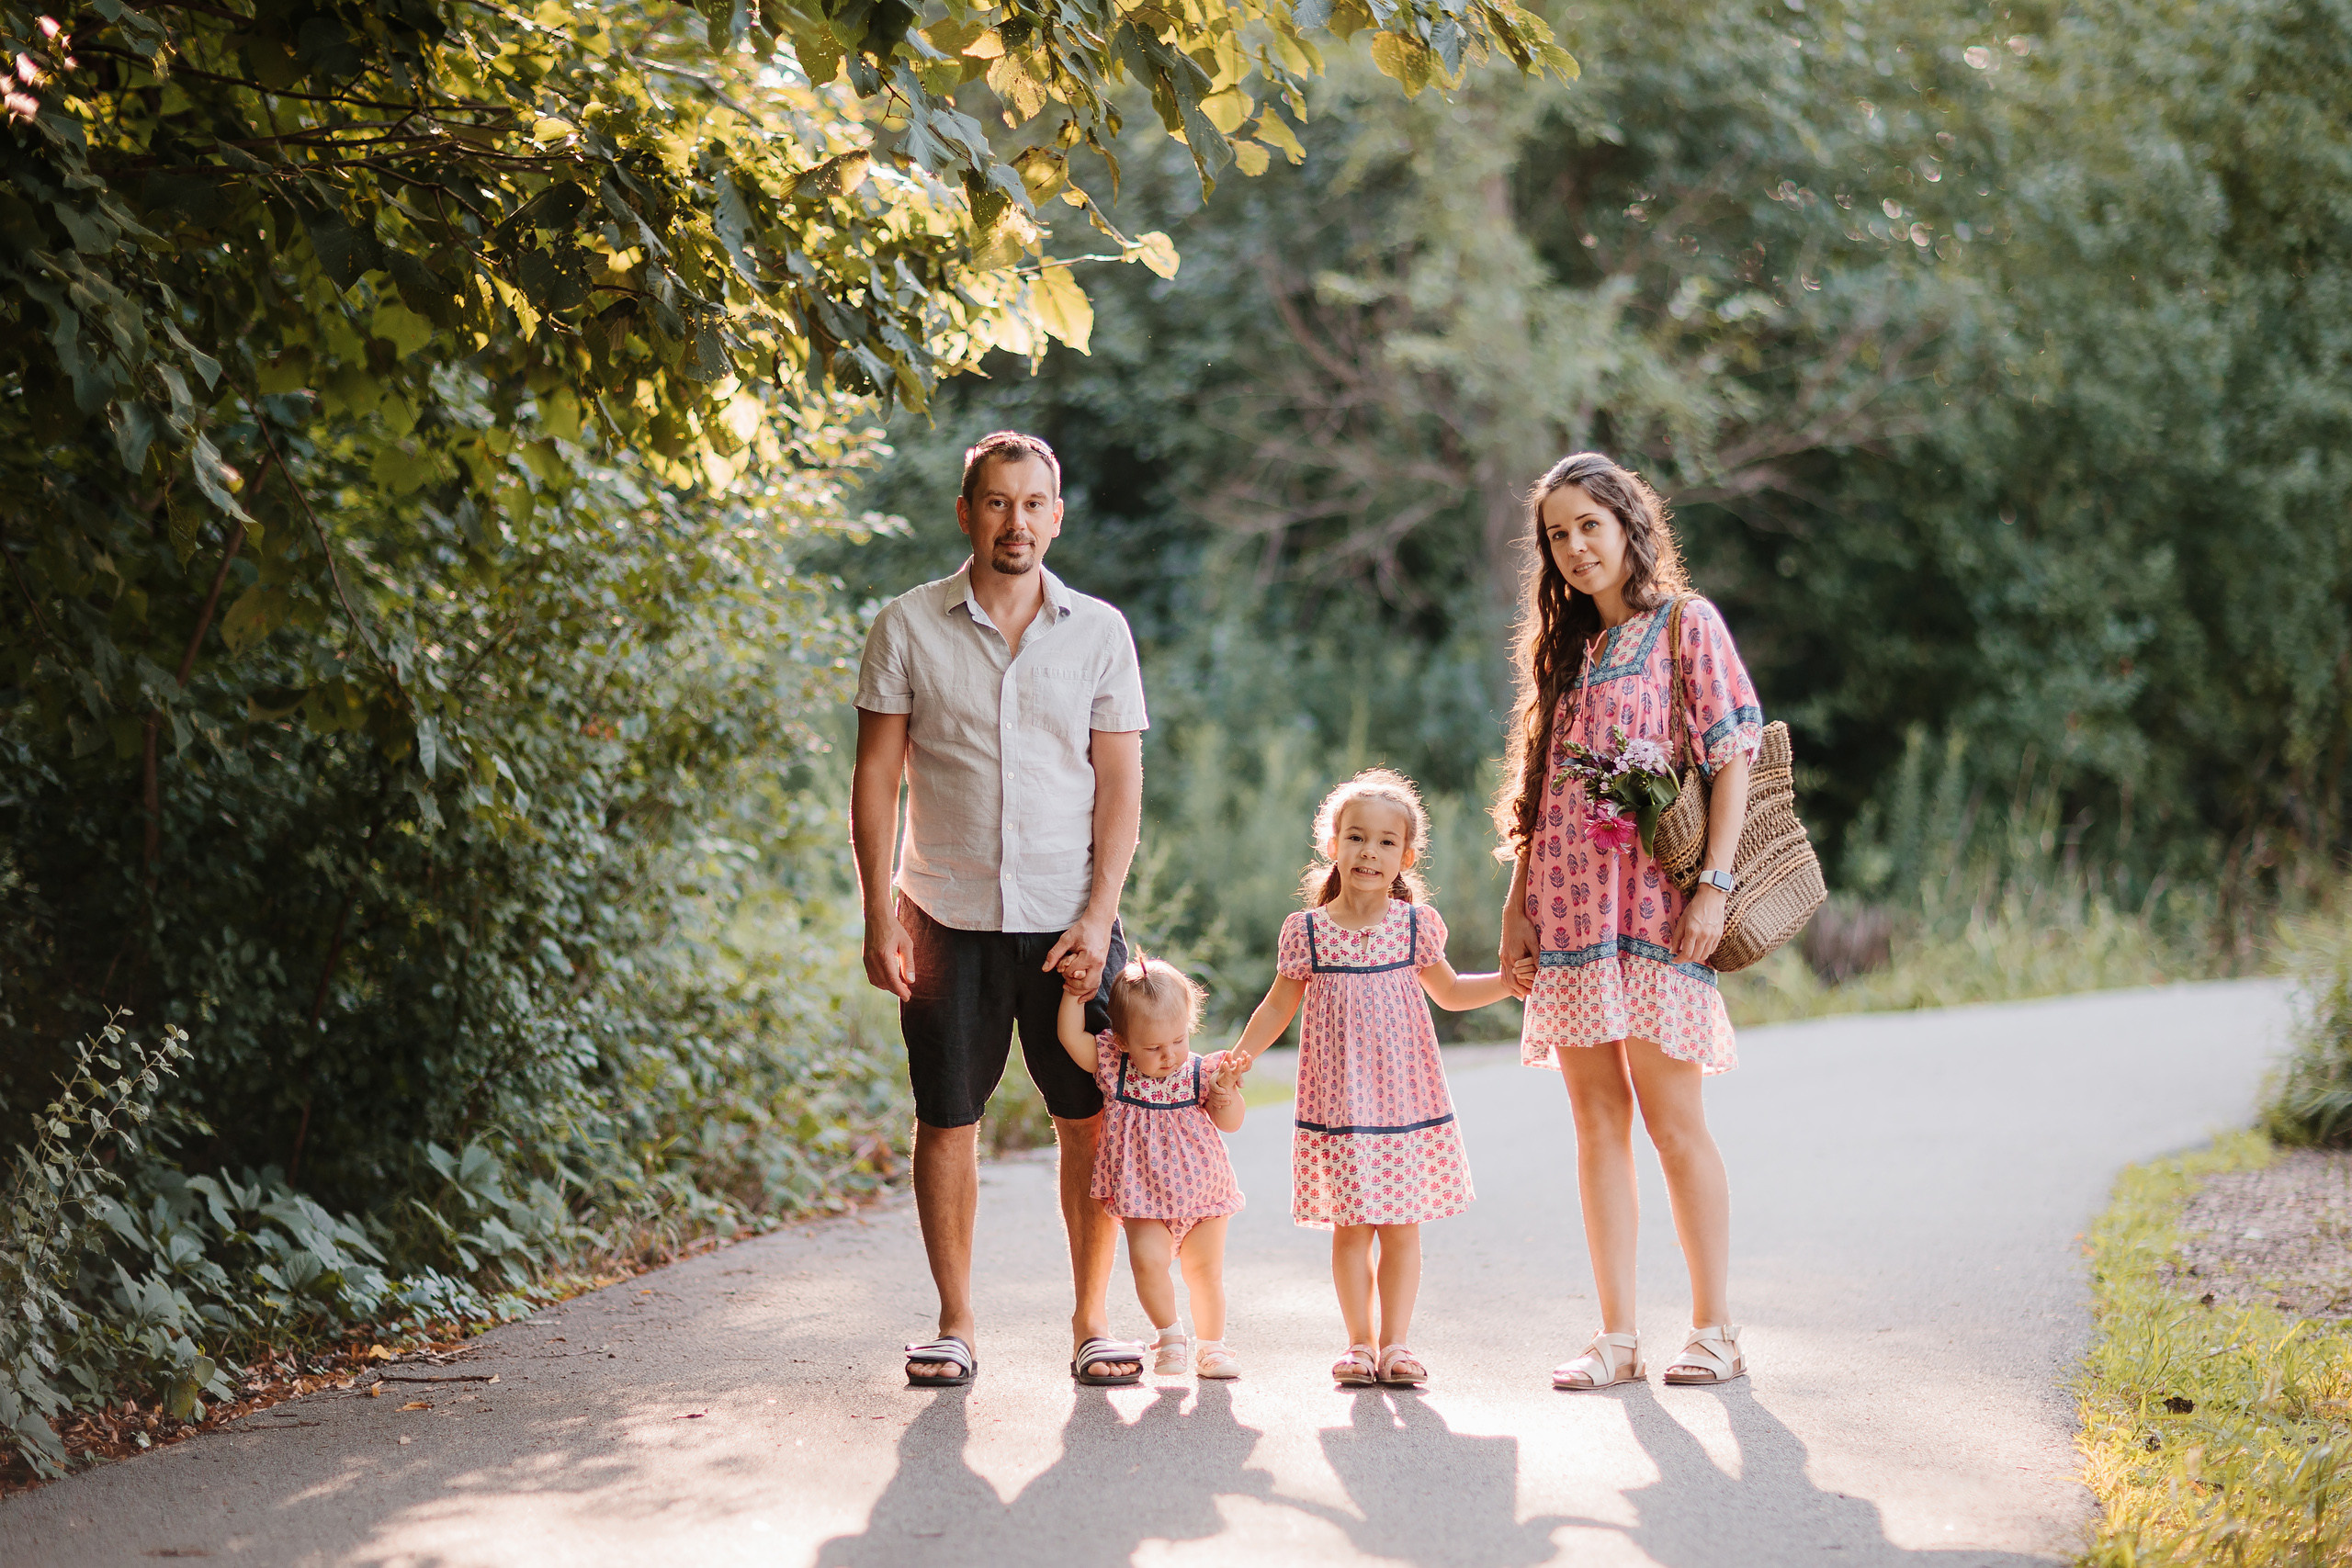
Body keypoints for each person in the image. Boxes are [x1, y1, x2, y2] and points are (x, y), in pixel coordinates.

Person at [850, 430, 1152, 1388]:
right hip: (941, 911)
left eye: (1032, 504)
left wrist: (1101, 917)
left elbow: (1119, 786)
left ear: (1055, 517)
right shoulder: (905, 625)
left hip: (1069, 918)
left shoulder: (1099, 631)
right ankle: (954, 1323)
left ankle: (1093, 1322)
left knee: (1090, 1116)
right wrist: (873, 911)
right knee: (945, 1117)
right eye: (995, 502)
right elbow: (875, 780)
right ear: (966, 511)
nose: (1014, 521)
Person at [1493, 452, 1762, 1392]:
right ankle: (1615, 1337)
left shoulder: (1685, 625)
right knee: (1594, 1121)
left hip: (1654, 911)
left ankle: (1714, 1329)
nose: (1573, 547)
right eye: (1557, 535)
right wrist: (1516, 906)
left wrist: (1716, 887)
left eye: (1588, 526)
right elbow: (1539, 791)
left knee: (1671, 1121)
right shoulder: (1568, 654)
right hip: (1568, 915)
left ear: (1627, 525)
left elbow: (1734, 756)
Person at [1226, 769, 1528, 1387]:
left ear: (1406, 856)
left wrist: (1506, 982)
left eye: (1386, 842)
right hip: (1339, 1105)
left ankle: (1397, 1344)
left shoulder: (1414, 926)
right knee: (1351, 1226)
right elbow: (1278, 1005)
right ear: (1332, 843)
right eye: (1357, 837)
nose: (1370, 851)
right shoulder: (1305, 931)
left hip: (1404, 1101)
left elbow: (1447, 992)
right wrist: (1241, 1056)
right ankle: (1358, 1343)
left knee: (1401, 1225)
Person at [1055, 953, 1248, 1381]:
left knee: (1205, 1273)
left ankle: (1212, 1347)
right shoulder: (1114, 1068)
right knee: (1147, 1264)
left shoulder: (1201, 1071)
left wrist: (1226, 1093)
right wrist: (1073, 994)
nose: (1169, 1055)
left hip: (1205, 1196)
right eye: (1154, 1048)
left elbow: (1231, 1124)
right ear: (1121, 1040)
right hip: (1144, 1199)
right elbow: (1071, 1037)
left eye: (1178, 1040)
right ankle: (1171, 1335)